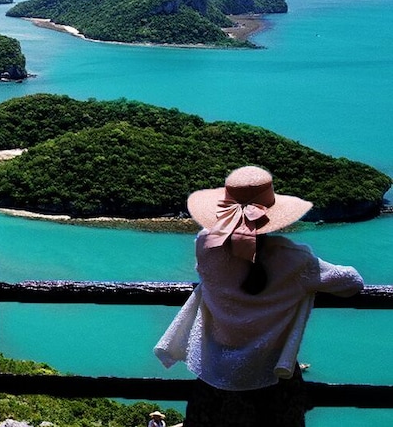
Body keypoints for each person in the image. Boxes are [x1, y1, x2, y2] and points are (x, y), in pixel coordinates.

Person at [154, 166, 364, 427]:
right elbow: (352, 282)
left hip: (214, 380)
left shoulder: (206, 248)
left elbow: (217, 262)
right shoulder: (296, 261)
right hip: (273, 382)